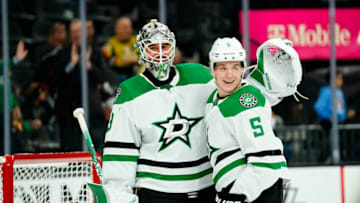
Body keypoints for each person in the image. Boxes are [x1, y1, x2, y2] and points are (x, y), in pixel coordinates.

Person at [101, 19, 216, 203]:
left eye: (165, 46)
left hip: (207, 188)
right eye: (153, 47)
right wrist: (118, 194)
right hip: (157, 192)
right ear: (140, 51)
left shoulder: (201, 76)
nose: (161, 53)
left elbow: (235, 104)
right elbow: (120, 153)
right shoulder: (130, 93)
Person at [205, 37, 303, 203]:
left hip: (258, 193)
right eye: (223, 68)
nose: (229, 74)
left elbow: (266, 163)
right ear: (212, 70)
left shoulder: (248, 102)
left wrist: (236, 196)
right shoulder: (213, 100)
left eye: (235, 67)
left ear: (243, 69)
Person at [52, 19, 107, 152]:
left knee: (96, 147)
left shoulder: (94, 52)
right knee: (70, 150)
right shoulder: (63, 53)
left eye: (79, 31)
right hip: (68, 110)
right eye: (73, 32)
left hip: (92, 108)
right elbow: (54, 79)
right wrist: (71, 64)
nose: (76, 34)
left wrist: (89, 66)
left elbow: (102, 77)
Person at [0, 40, 29, 154]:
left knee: (8, 145)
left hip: (6, 115)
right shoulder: (3, 67)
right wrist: (15, 59)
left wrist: (15, 105)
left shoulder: (4, 72)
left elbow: (7, 91)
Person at [102, 17, 139, 83]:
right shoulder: (111, 43)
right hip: (118, 76)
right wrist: (131, 59)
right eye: (125, 27)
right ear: (117, 29)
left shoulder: (137, 41)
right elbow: (109, 61)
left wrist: (129, 59)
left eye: (129, 27)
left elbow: (145, 58)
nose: (128, 30)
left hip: (136, 74)